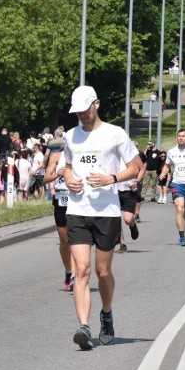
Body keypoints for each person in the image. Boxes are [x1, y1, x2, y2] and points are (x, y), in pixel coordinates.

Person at [62, 86, 139, 350]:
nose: (81, 115)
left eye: (85, 110)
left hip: (106, 211)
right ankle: (84, 327)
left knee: (102, 271)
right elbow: (68, 167)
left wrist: (112, 179)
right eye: (77, 112)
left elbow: (135, 167)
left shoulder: (115, 134)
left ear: (97, 104)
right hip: (77, 210)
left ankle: (106, 314)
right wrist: (69, 181)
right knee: (81, 270)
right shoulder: (71, 136)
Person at [44, 145, 73, 290]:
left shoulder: (81, 155)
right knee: (64, 241)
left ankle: (76, 275)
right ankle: (68, 271)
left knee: (77, 239)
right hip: (61, 199)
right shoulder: (56, 157)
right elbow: (46, 178)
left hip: (78, 199)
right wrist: (58, 174)